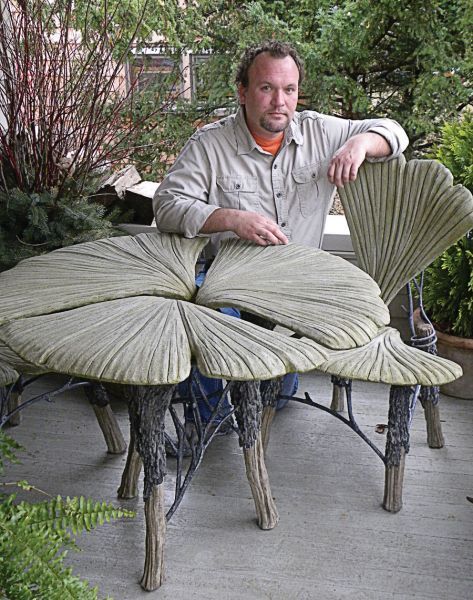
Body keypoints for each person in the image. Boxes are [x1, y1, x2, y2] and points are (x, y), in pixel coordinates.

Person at [153, 40, 409, 430]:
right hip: (232, 283)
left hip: (300, 290)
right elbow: (167, 205)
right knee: (202, 313)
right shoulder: (210, 145)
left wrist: (360, 143)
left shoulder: (321, 132)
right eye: (266, 88)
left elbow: (393, 131)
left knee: (279, 397)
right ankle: (208, 421)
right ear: (242, 91)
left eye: (289, 90)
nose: (279, 102)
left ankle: (242, 390)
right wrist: (231, 218)